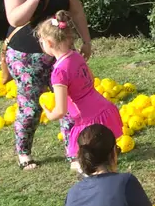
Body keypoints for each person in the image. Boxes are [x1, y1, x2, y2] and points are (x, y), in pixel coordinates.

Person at [2, 0, 92, 170]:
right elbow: (14, 17)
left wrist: (86, 40)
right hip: (26, 55)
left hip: (61, 53)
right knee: (31, 106)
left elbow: (77, 10)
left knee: (70, 102)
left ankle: (73, 153)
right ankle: (24, 154)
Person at [36, 11, 123, 173]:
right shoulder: (76, 56)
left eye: (41, 41)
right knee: (103, 150)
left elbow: (60, 111)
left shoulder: (59, 72)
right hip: (102, 108)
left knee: (88, 161)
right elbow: (91, 77)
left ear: (49, 43)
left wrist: (49, 114)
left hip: (87, 119)